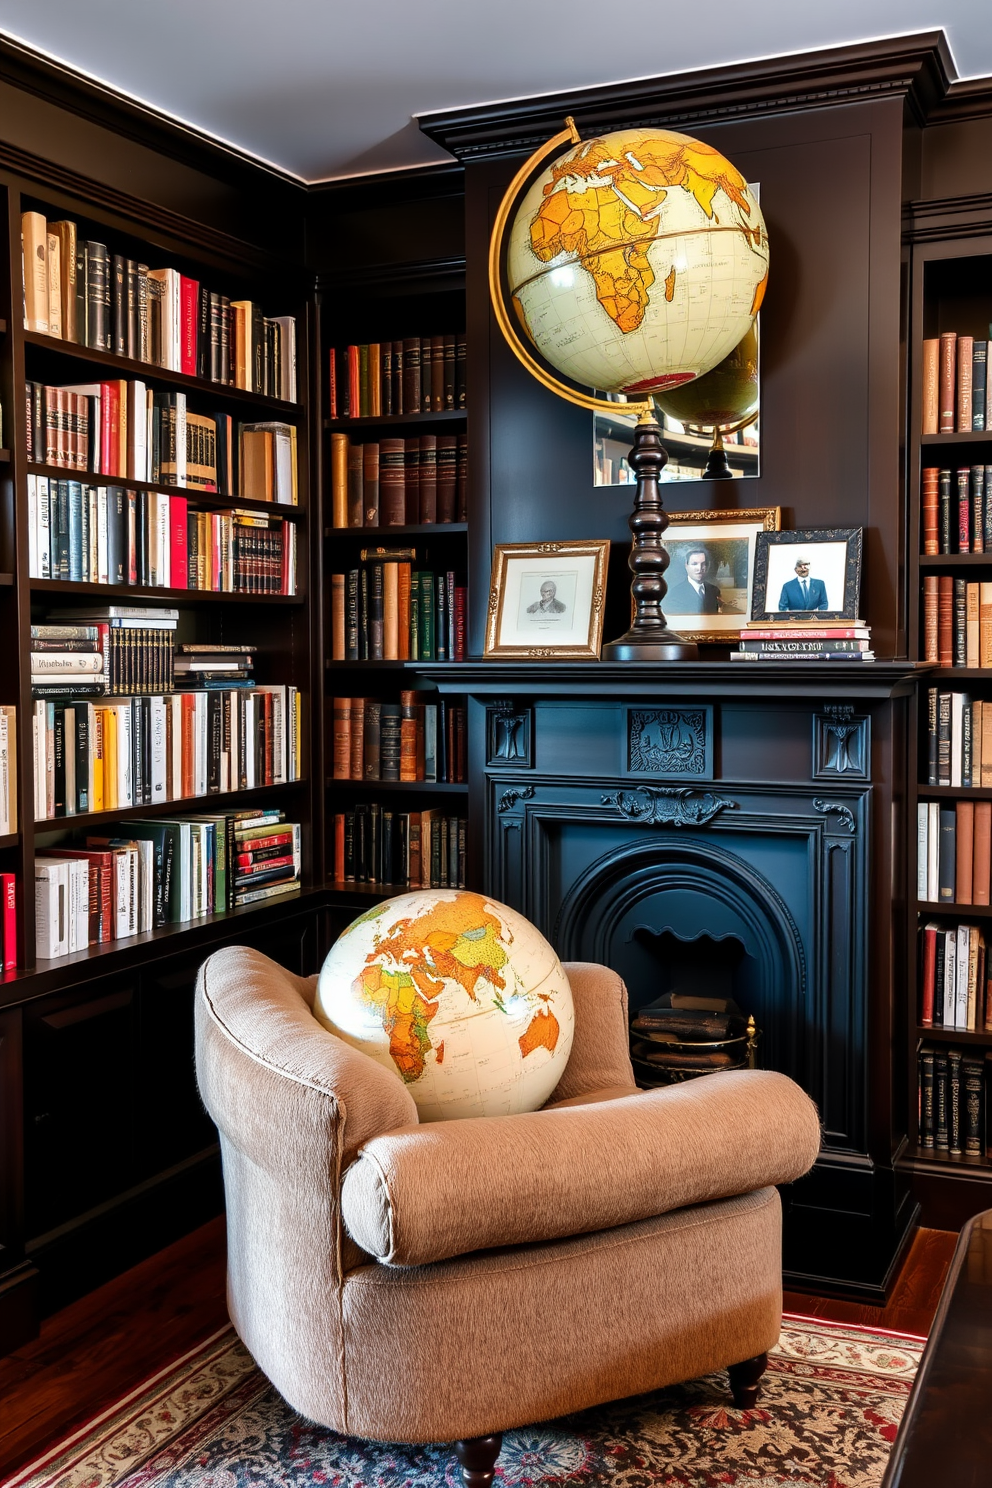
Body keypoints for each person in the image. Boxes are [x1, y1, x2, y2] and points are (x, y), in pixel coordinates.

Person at [665, 547, 722, 614]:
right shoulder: (675, 593)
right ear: (686, 566)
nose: (699, 568)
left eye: (703, 564)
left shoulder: (714, 590)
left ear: (707, 566)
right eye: (694, 564)